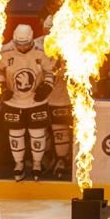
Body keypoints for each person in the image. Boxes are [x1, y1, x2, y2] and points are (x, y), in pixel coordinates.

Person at [0, 24, 56, 181]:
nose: (22, 47)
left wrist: (47, 86)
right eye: (19, 44)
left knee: (38, 134)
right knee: (15, 134)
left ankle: (36, 164)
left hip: (36, 102)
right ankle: (19, 164)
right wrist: (1, 85)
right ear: (14, 40)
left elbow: (51, 70)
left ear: (31, 40)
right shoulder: (4, 51)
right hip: (13, 102)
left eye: (26, 44)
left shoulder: (42, 51)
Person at [35, 15, 72, 180]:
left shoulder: (69, 45)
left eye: (52, 29)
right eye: (47, 29)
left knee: (60, 131)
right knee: (39, 131)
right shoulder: (34, 44)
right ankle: (42, 159)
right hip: (38, 97)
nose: (49, 32)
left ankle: (62, 161)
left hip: (61, 96)